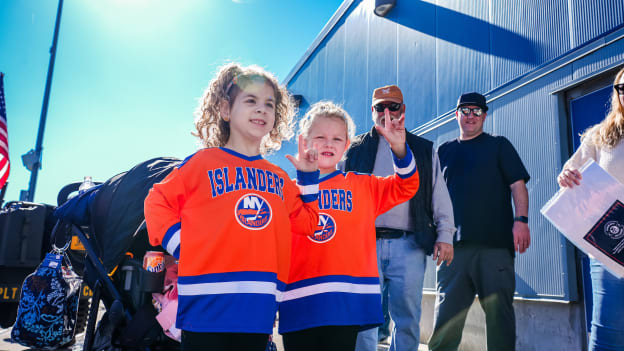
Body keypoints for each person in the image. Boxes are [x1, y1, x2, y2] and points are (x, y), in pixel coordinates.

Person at [143, 63, 320, 351]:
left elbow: (309, 223)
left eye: (269, 104)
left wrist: (309, 177)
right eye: (251, 101)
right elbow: (156, 201)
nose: (261, 109)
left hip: (257, 312)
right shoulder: (202, 164)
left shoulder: (280, 178)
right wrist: (182, 245)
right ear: (226, 110)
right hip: (205, 311)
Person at [278, 101, 420, 351]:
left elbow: (406, 186)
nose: (328, 143)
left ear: (346, 145)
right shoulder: (290, 188)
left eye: (337, 138)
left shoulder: (362, 186)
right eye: (320, 136)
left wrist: (398, 148)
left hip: (344, 303)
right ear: (305, 141)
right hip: (300, 300)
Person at [343, 85, 456, 351]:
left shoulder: (424, 149)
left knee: (407, 319)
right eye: (380, 107)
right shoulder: (354, 149)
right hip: (365, 245)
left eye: (393, 106)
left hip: (410, 244)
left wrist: (445, 235)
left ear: (402, 110)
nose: (386, 112)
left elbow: (439, 194)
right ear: (372, 111)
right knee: (365, 320)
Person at [429, 92, 531, 351]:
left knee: (500, 319)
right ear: (456, 115)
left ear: (485, 115)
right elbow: (434, 198)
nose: (470, 116)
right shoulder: (444, 151)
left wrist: (521, 220)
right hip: (454, 251)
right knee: (446, 319)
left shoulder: (499, 145)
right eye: (465, 111)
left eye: (476, 111)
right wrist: (438, 237)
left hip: (494, 247)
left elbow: (517, 186)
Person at [558, 67, 624, 351]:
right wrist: (566, 177)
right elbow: (570, 174)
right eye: (623, 88)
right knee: (608, 333)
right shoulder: (601, 136)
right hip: (611, 246)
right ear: (617, 93)